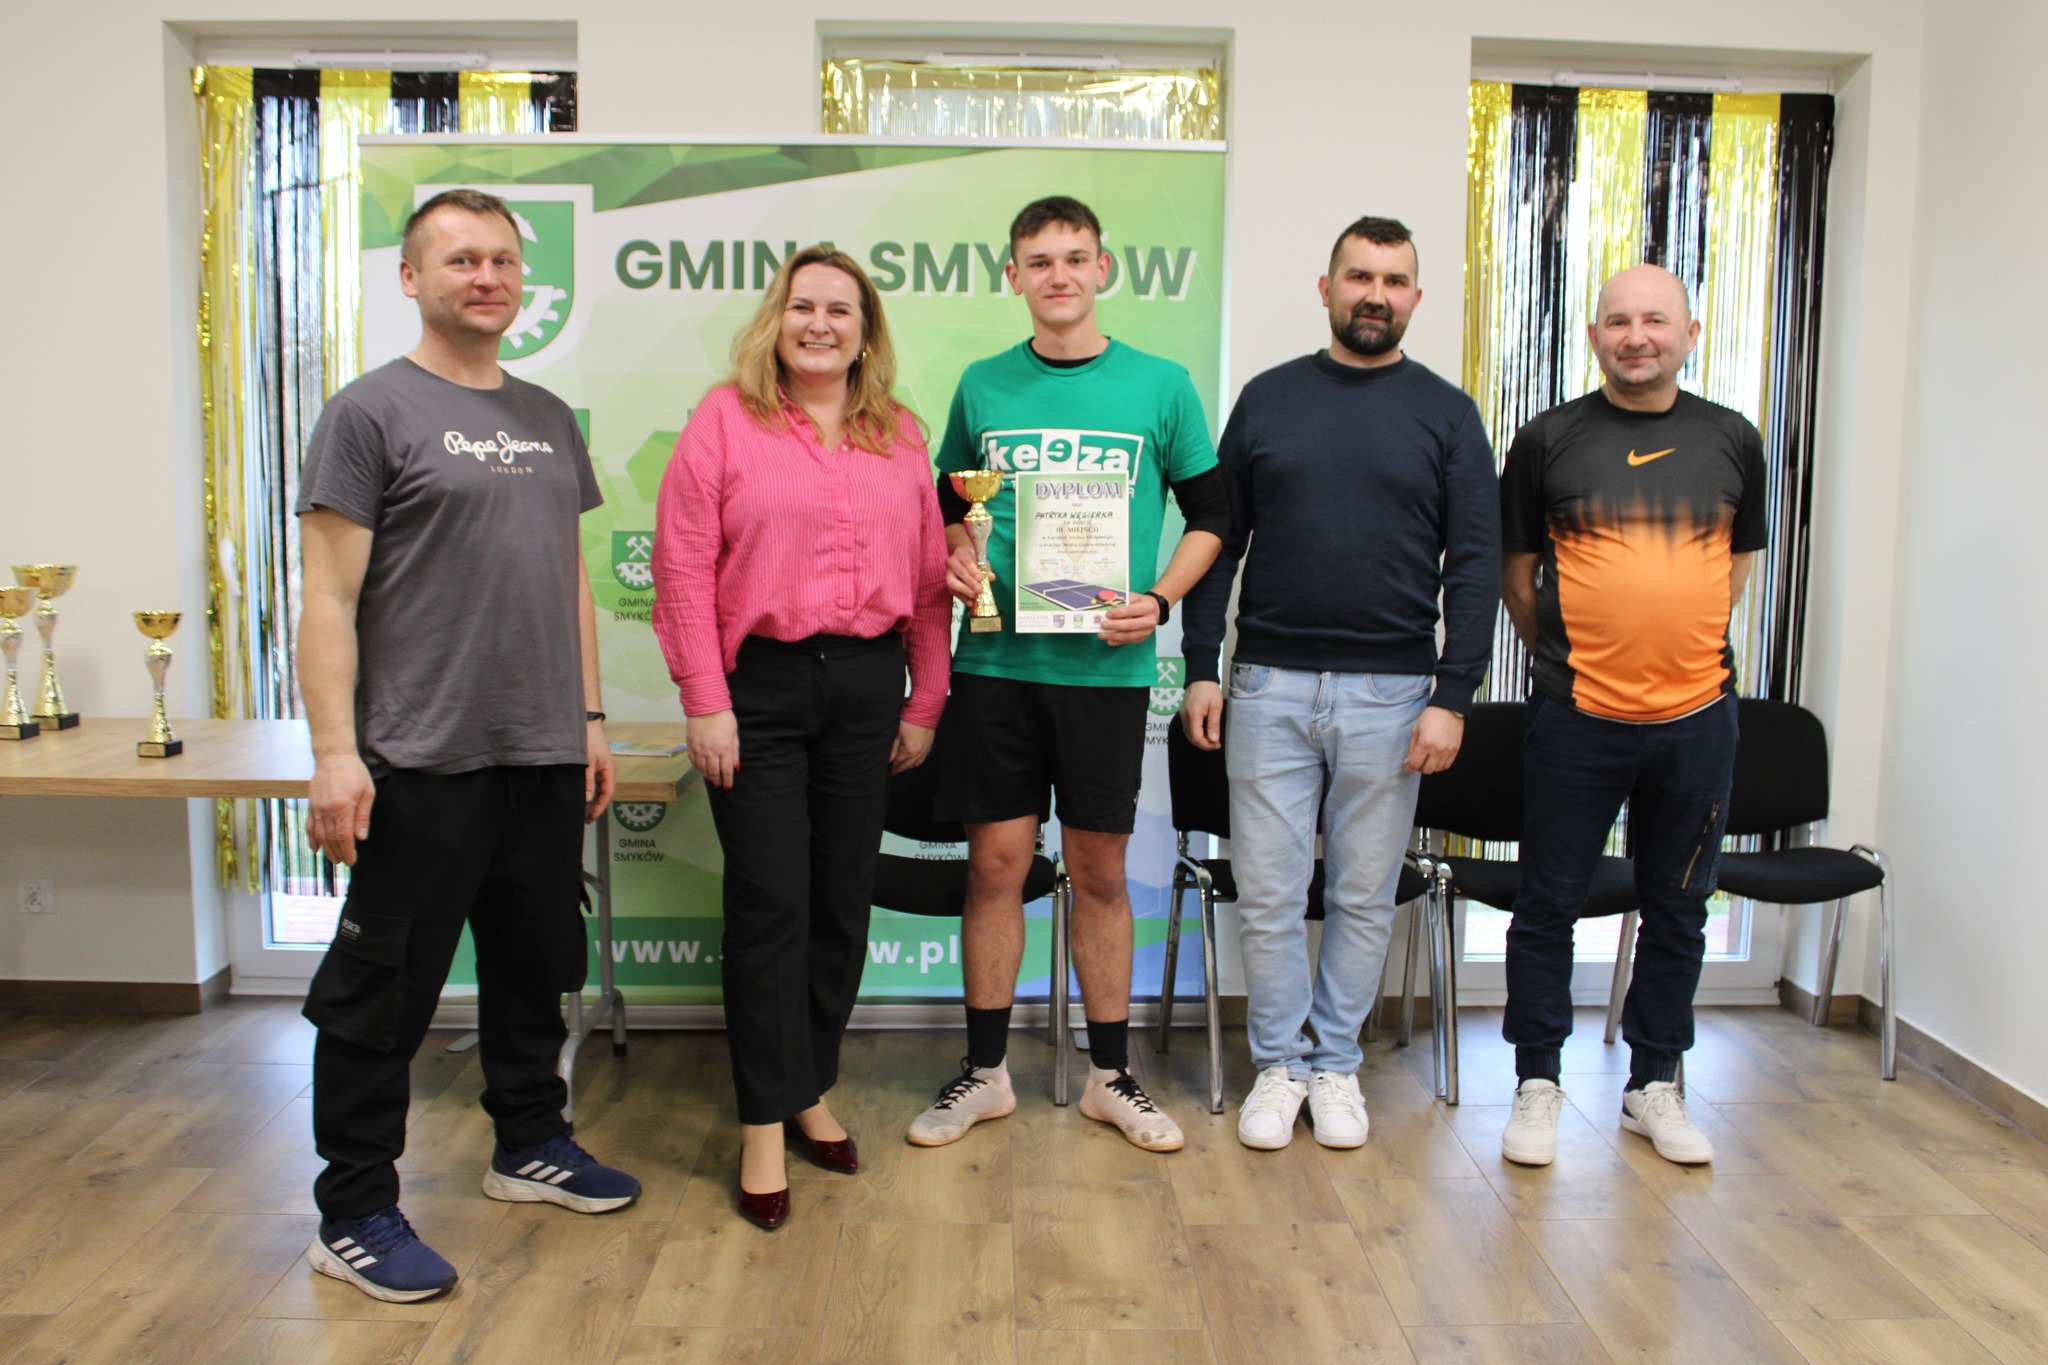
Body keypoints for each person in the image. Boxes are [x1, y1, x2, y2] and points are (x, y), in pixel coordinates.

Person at [296, 188, 640, 1304]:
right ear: (410, 278)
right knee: (380, 996)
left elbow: (568, 580)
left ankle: (529, 1143)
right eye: (459, 260)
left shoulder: (547, 415)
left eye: (500, 259)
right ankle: (353, 1209)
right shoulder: (368, 412)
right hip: (419, 757)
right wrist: (336, 754)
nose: (485, 276)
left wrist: (587, 718)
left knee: (534, 968)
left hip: (540, 752)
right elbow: (325, 597)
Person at [909, 196, 1228, 1152]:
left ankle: (1110, 1076)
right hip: (997, 665)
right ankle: (986, 1073)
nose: (1059, 275)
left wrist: (1160, 600)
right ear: (1013, 276)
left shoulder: (1161, 386)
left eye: (1075, 257)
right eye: (1039, 260)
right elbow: (950, 501)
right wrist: (958, 554)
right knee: (994, 868)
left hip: (1105, 670)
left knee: (1098, 871)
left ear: (1103, 270)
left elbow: (1216, 515)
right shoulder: (982, 385)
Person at [1180, 216, 1500, 1151]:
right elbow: (1218, 541)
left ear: (1415, 298)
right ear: (1326, 288)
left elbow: (1474, 565)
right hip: (1267, 686)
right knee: (1270, 894)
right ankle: (1278, 1065)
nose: (1376, 294)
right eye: (1359, 276)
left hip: (1393, 696)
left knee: (1363, 896)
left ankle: (1334, 1065)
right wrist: (1201, 666)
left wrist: (1453, 694)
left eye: (1394, 281)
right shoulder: (1268, 399)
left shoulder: (1448, 414)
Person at [652, 246, 950, 1229]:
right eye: (801, 306)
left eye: (840, 310)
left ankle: (807, 1086)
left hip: (866, 688)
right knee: (770, 905)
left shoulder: (900, 434)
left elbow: (926, 579)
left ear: (866, 332)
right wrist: (706, 701)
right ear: (774, 321)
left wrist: (925, 698)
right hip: (760, 692)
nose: (819, 323)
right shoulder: (722, 420)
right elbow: (681, 567)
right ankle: (761, 1126)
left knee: (838, 902)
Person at [1496, 263, 1767, 1168]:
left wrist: (1672, 646)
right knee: (1547, 905)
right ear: (1594, 336)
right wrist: (1575, 661)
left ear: (1690, 333)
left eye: (1655, 320)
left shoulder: (1733, 438)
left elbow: (1734, 570)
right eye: (1618, 321)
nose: (1636, 337)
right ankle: (1537, 1080)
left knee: (1679, 906)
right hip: (1577, 716)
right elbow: (1518, 576)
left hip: (1698, 718)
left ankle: (1655, 1083)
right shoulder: (1547, 439)